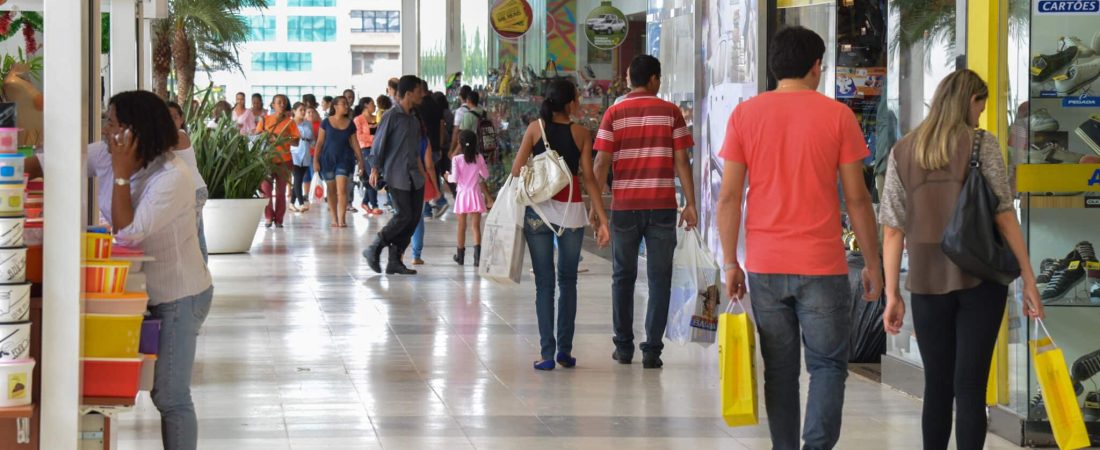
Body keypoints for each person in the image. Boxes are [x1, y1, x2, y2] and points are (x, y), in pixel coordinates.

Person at [714, 27, 882, 450]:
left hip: (765, 264)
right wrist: (875, 265)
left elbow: (730, 196)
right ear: (815, 67)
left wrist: (731, 262)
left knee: (780, 371)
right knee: (827, 367)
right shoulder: (838, 116)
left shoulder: (745, 115)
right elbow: (858, 200)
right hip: (822, 265)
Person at [27, 91, 213, 450]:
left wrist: (123, 175)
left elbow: (127, 233)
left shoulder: (172, 177)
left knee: (170, 396)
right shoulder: (108, 153)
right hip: (142, 289)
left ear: (134, 131)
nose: (106, 128)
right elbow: (53, 161)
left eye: (112, 122)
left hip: (180, 296)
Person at [879, 70, 1045, 450]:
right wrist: (1028, 277)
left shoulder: (904, 150)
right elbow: (1004, 214)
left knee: (937, 384)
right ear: (968, 102)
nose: (980, 118)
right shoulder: (980, 144)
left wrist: (892, 294)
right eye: (979, 109)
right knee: (970, 385)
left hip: (925, 283)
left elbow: (892, 228)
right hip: (980, 279)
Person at [593, 54, 697, 369]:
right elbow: (681, 162)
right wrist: (690, 203)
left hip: (624, 207)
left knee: (622, 276)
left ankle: (623, 347)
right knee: (659, 278)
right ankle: (652, 349)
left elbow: (601, 163)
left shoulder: (614, 113)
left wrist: (597, 208)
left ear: (629, 79)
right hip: (662, 206)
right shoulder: (671, 113)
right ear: (654, 79)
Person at [512, 79, 610, 371]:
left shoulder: (534, 129)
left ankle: (546, 354)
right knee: (568, 282)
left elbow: (517, 169)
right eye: (577, 98)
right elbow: (589, 178)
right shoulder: (581, 133)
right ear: (569, 104)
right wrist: (601, 218)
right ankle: (565, 351)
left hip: (538, 213)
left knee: (544, 284)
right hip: (571, 212)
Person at [365, 76, 427, 275]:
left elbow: (415, 150)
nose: (422, 95)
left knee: (413, 218)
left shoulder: (414, 119)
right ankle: (374, 247)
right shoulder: (391, 116)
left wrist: (423, 174)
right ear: (408, 93)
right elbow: (379, 143)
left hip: (414, 177)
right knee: (403, 215)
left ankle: (395, 259)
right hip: (396, 174)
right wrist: (375, 169)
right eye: (419, 91)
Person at [166, 101, 210, 261]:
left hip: (194, 191)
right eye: (166, 117)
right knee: (197, 234)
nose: (171, 121)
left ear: (181, 119)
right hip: (190, 190)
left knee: (192, 235)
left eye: (174, 117)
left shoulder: (178, 135)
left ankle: (200, 273)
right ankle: (203, 272)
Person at [314, 96, 365, 227]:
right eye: (344, 104)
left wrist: (361, 161)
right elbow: (319, 143)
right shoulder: (325, 122)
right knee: (331, 191)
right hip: (327, 160)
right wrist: (315, 161)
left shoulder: (350, 123)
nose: (347, 106)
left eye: (347, 104)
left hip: (345, 159)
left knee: (342, 190)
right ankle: (334, 219)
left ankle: (342, 219)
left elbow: (355, 144)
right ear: (335, 106)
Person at [255, 94, 301, 228]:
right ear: (273, 105)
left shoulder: (290, 122)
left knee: (281, 192)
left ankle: (279, 219)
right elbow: (257, 138)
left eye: (284, 102)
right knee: (266, 192)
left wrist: (282, 139)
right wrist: (266, 137)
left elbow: (297, 142)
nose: (282, 105)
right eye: (279, 102)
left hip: (284, 160)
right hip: (266, 161)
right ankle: (269, 217)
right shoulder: (264, 120)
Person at [447, 130, 488, 266]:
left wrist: (447, 176)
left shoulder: (457, 159)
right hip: (475, 194)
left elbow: (455, 178)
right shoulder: (479, 158)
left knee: (461, 226)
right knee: (475, 227)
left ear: (460, 143)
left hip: (462, 195)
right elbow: (485, 175)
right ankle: (477, 258)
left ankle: (460, 256)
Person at [354, 97, 382, 215]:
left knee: (375, 175)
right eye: (372, 104)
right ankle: (374, 204)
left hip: (377, 149)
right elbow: (359, 136)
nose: (374, 106)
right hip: (365, 150)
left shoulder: (377, 118)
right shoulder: (358, 119)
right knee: (372, 174)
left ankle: (365, 201)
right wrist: (374, 139)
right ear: (365, 105)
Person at [289, 102, 315, 213]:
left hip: (306, 152)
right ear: (294, 111)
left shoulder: (308, 124)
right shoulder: (290, 123)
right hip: (294, 152)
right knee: (298, 178)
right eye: (301, 110)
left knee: (298, 180)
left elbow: (312, 138)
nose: (303, 112)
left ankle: (291, 203)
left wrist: (314, 144)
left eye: (304, 110)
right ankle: (301, 203)